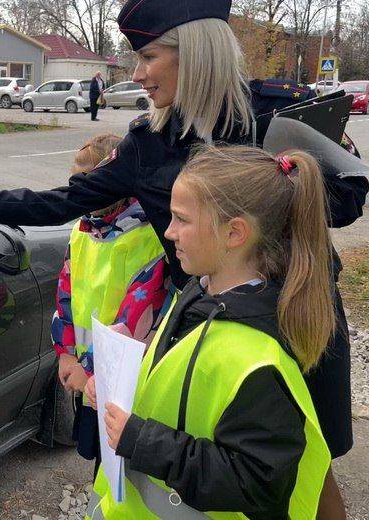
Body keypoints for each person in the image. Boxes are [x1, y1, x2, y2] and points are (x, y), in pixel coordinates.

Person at [0, 0, 367, 512]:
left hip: (300, 315)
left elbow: (345, 204)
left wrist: (304, 167)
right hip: (208, 328)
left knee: (311, 464)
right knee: (213, 460)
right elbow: (64, 201)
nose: (137, 74)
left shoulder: (276, 111)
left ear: (195, 54)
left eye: (149, 57)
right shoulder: (148, 144)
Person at [88, 145, 333, 518]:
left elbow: (254, 483)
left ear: (234, 233)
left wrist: (140, 439)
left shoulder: (259, 361)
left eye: (181, 219)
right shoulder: (201, 289)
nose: (169, 232)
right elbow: (183, 382)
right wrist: (119, 378)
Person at [52, 134, 168, 477]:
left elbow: (136, 317)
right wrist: (66, 352)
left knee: (122, 461)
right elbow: (65, 293)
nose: (80, 192)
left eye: (90, 183)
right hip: (88, 374)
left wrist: (88, 366)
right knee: (101, 460)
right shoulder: (83, 231)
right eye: (75, 183)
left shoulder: (148, 237)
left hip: (122, 376)